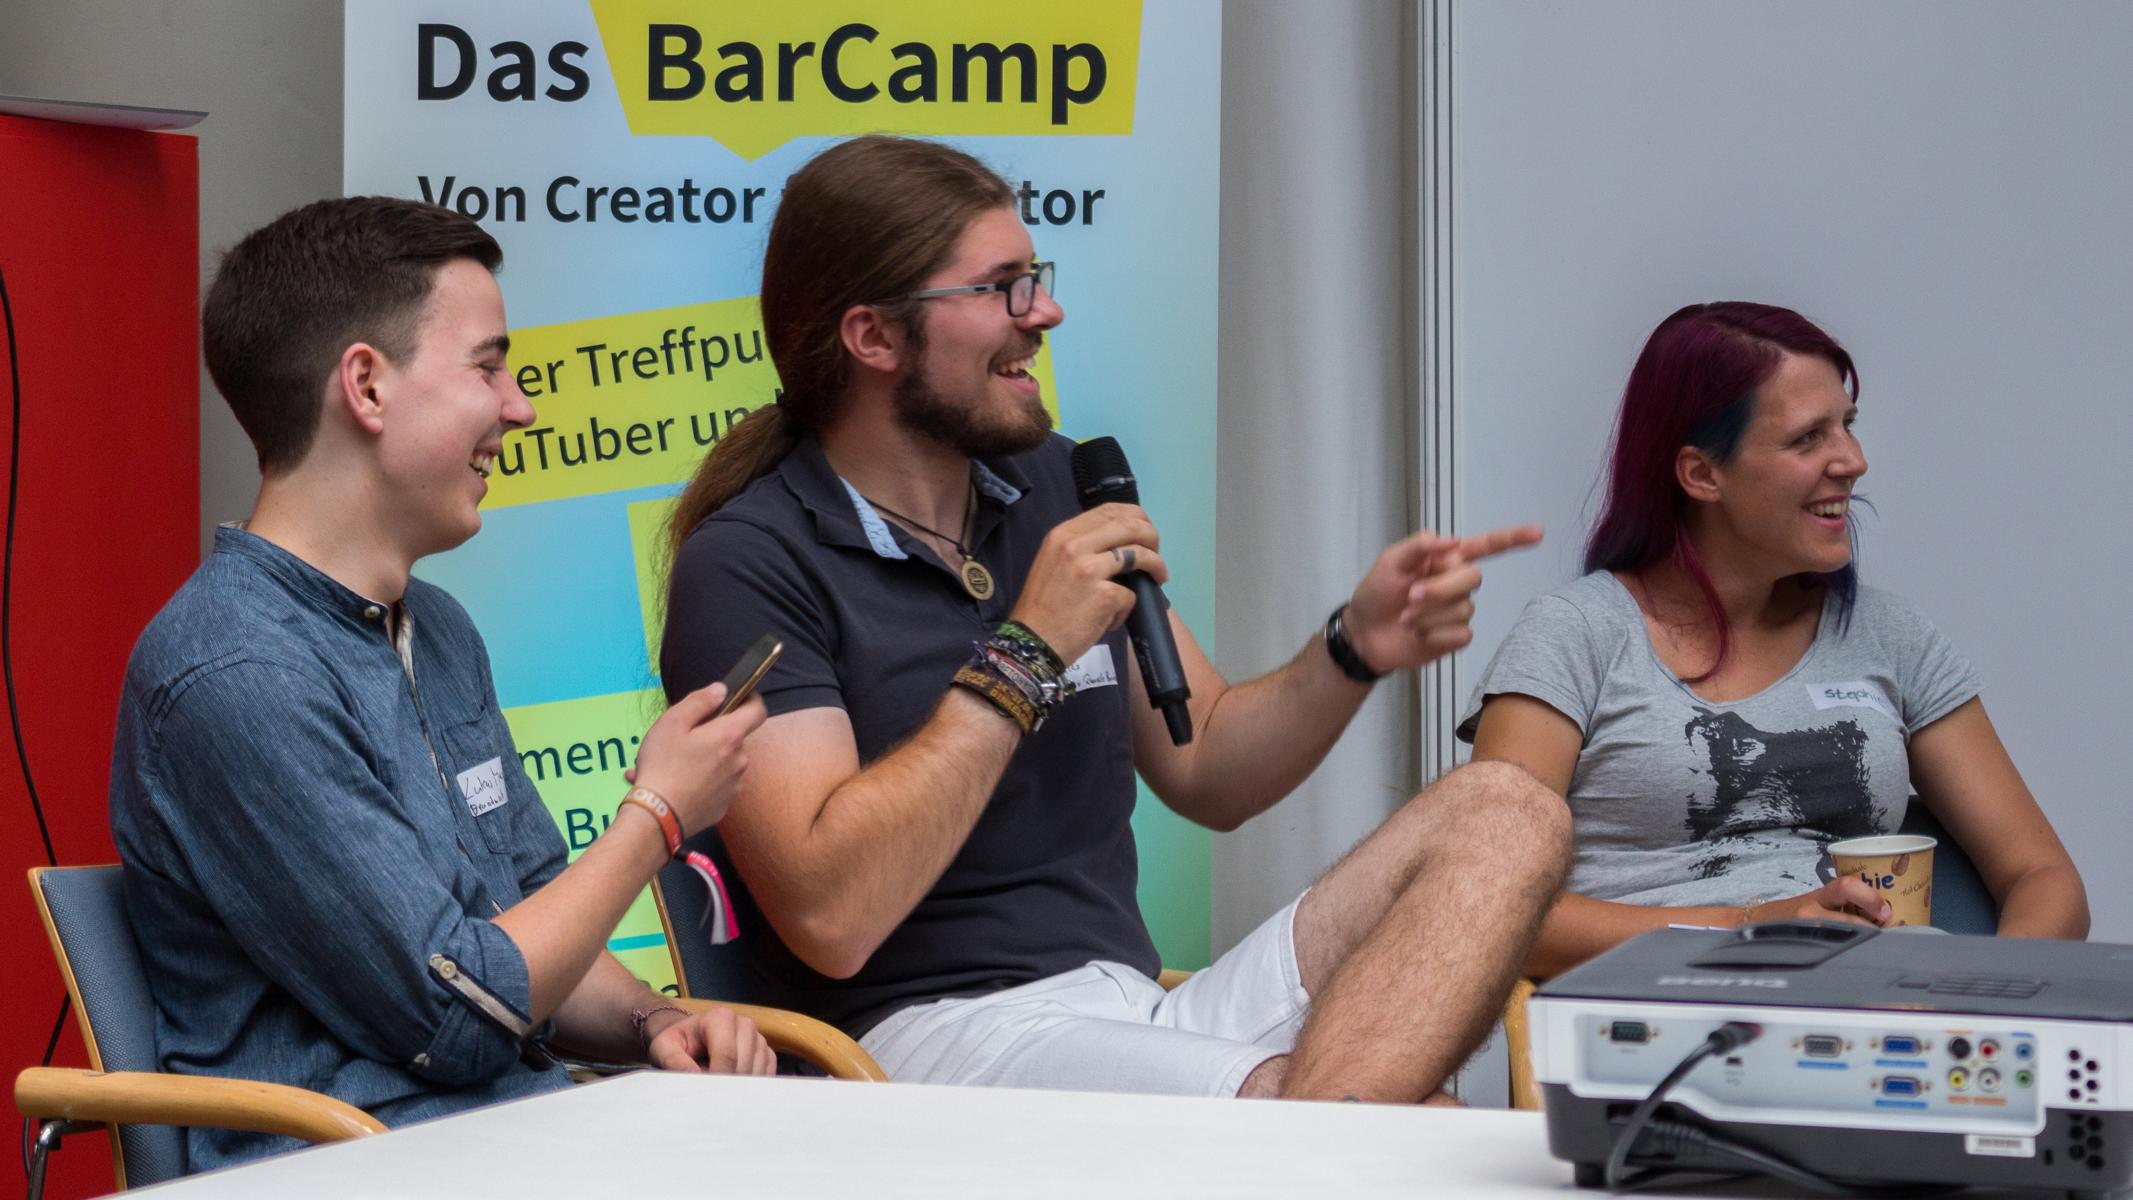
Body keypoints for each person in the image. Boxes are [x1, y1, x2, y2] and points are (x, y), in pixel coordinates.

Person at [657, 135, 1569, 1104]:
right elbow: (833, 917)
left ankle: (1325, 1131)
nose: (1043, 312)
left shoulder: (1055, 481)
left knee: (1510, 810)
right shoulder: (747, 562)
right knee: (1388, 1116)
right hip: (931, 1041)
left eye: (1035, 278)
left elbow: (1206, 762)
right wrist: (1025, 653)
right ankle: (1329, 1130)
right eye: (1001, 288)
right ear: (874, 337)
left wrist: (1352, 647)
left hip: (1135, 1005)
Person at [110, 197, 774, 1172]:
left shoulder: (442, 631)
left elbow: (538, 924)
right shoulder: (235, 673)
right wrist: (658, 816)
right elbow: (456, 1019)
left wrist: (653, 1023)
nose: (521, 407)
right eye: (488, 366)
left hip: (515, 1144)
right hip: (353, 1165)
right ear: (367, 387)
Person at [1460, 301, 2089, 979]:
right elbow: (1482, 909)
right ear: (1702, 475)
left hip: (1884, 1007)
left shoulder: (1889, 636)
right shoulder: (1572, 635)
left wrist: (1985, 998)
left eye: (1846, 426)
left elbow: (2043, 875)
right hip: (1665, 1011)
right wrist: (1751, 929)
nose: (1853, 461)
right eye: (1807, 438)